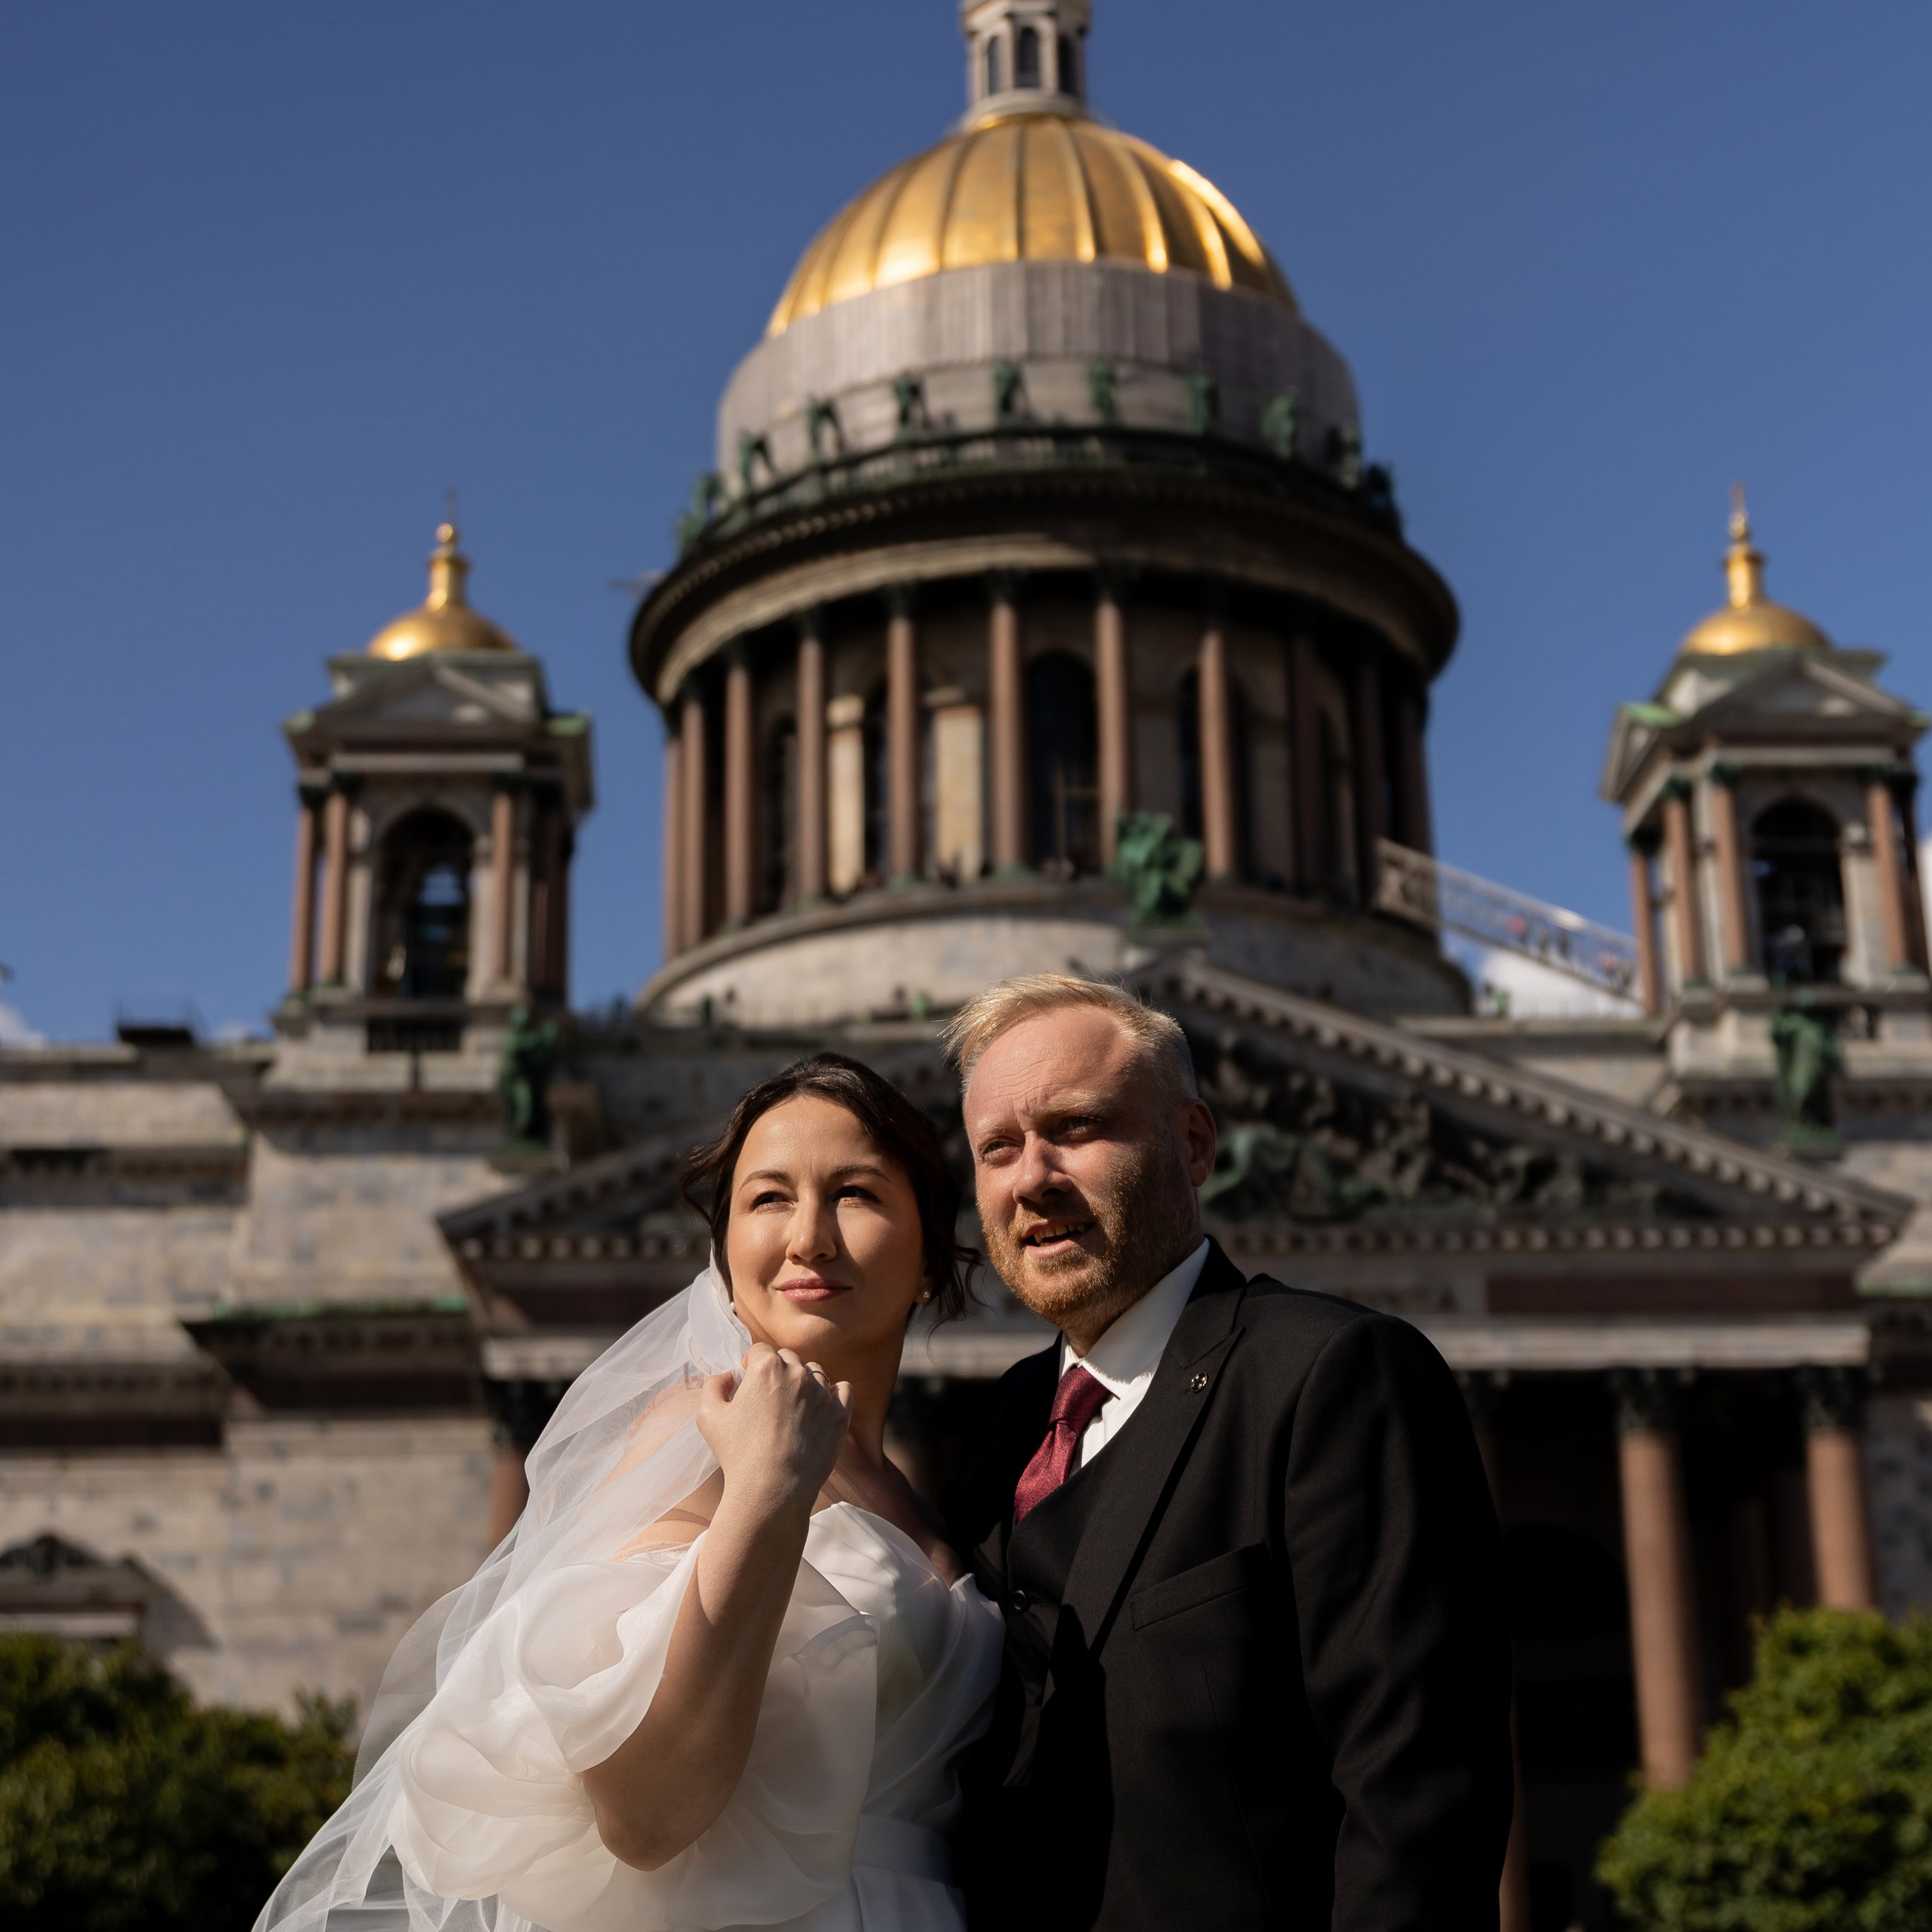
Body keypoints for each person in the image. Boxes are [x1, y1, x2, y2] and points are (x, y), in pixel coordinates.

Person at [254, 1052, 1001, 1932]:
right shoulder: (701, 1436)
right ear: (725, 1253)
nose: (809, 1237)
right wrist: (765, 1492)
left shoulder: (924, 1502)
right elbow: (643, 1815)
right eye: (768, 1198)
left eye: (855, 1193)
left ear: (931, 1255)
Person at [942, 974, 1514, 1932]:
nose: (1032, 1177)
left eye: (1077, 1127)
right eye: (997, 1147)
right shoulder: (1001, 1426)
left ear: (1195, 1143)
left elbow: (1415, 1803)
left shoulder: (1328, 1375)